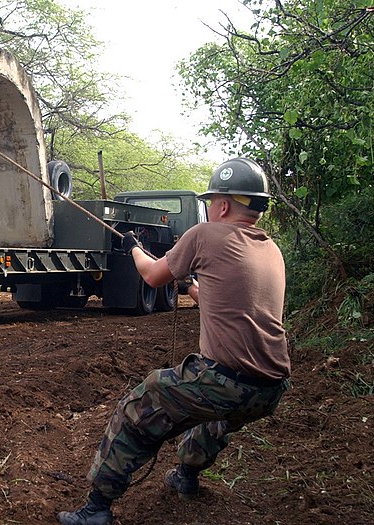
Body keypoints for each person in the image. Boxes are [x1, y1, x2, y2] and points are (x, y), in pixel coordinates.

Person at [56, 158, 291, 525]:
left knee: (137, 405)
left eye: (212, 200)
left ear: (224, 205)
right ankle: (186, 476)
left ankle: (96, 508)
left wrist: (133, 247)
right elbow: (230, 302)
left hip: (224, 381)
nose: (210, 208)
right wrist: (191, 287)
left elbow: (151, 275)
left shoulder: (204, 234)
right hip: (269, 388)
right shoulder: (271, 250)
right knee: (214, 419)